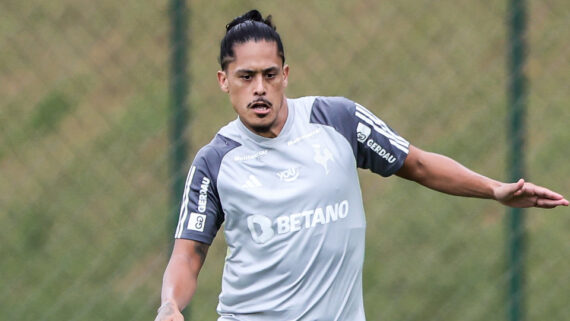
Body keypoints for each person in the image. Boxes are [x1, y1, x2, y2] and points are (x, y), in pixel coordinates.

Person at [154, 9, 568, 321]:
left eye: (269, 74)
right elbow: (189, 253)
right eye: (245, 76)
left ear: (286, 74)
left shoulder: (336, 121)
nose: (259, 88)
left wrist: (494, 189)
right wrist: (170, 304)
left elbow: (418, 164)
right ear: (224, 80)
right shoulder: (215, 161)